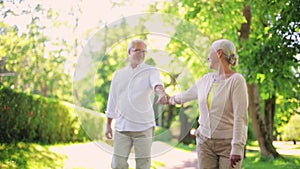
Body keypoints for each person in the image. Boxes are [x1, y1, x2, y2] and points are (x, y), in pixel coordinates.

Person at [168, 39, 248, 169]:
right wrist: (169, 99)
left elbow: (241, 116)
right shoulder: (206, 80)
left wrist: (237, 147)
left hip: (227, 144)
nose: (207, 57)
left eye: (210, 53)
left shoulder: (236, 81)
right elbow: (187, 95)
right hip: (205, 142)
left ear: (219, 53)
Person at [105, 39, 169, 169]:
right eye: (137, 50)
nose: (141, 54)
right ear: (129, 51)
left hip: (144, 127)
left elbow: (157, 83)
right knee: (117, 165)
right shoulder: (119, 74)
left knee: (143, 166)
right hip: (122, 128)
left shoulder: (151, 71)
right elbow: (112, 100)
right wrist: (108, 125)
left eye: (144, 51)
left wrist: (162, 93)